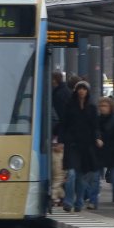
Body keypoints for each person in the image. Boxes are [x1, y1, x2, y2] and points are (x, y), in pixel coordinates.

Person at [59, 80, 101, 213]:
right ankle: (68, 201)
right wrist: (61, 141)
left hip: (86, 145)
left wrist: (98, 138)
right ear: (76, 91)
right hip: (72, 144)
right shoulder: (69, 106)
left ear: (87, 92)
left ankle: (79, 201)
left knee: (81, 176)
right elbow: (63, 124)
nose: (82, 91)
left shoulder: (92, 108)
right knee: (71, 174)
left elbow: (95, 126)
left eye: (84, 89)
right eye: (80, 89)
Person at [50, 71, 71, 205]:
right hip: (61, 136)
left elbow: (61, 117)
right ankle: (60, 195)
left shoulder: (59, 94)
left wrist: (59, 139)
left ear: (54, 80)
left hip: (60, 137)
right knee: (60, 171)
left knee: (58, 171)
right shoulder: (65, 92)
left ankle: (55, 196)